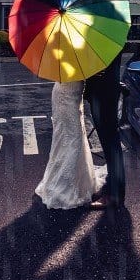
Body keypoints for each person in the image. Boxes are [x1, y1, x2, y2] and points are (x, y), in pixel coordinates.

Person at [35, 80, 106, 210]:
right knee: (71, 139)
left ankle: (76, 183)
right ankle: (67, 187)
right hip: (65, 94)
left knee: (74, 138)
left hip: (72, 94)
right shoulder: (74, 61)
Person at [84, 56, 125, 209]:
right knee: (110, 146)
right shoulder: (106, 36)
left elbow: (100, 67)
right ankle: (111, 189)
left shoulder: (105, 42)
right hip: (102, 94)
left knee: (111, 145)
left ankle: (114, 195)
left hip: (104, 94)